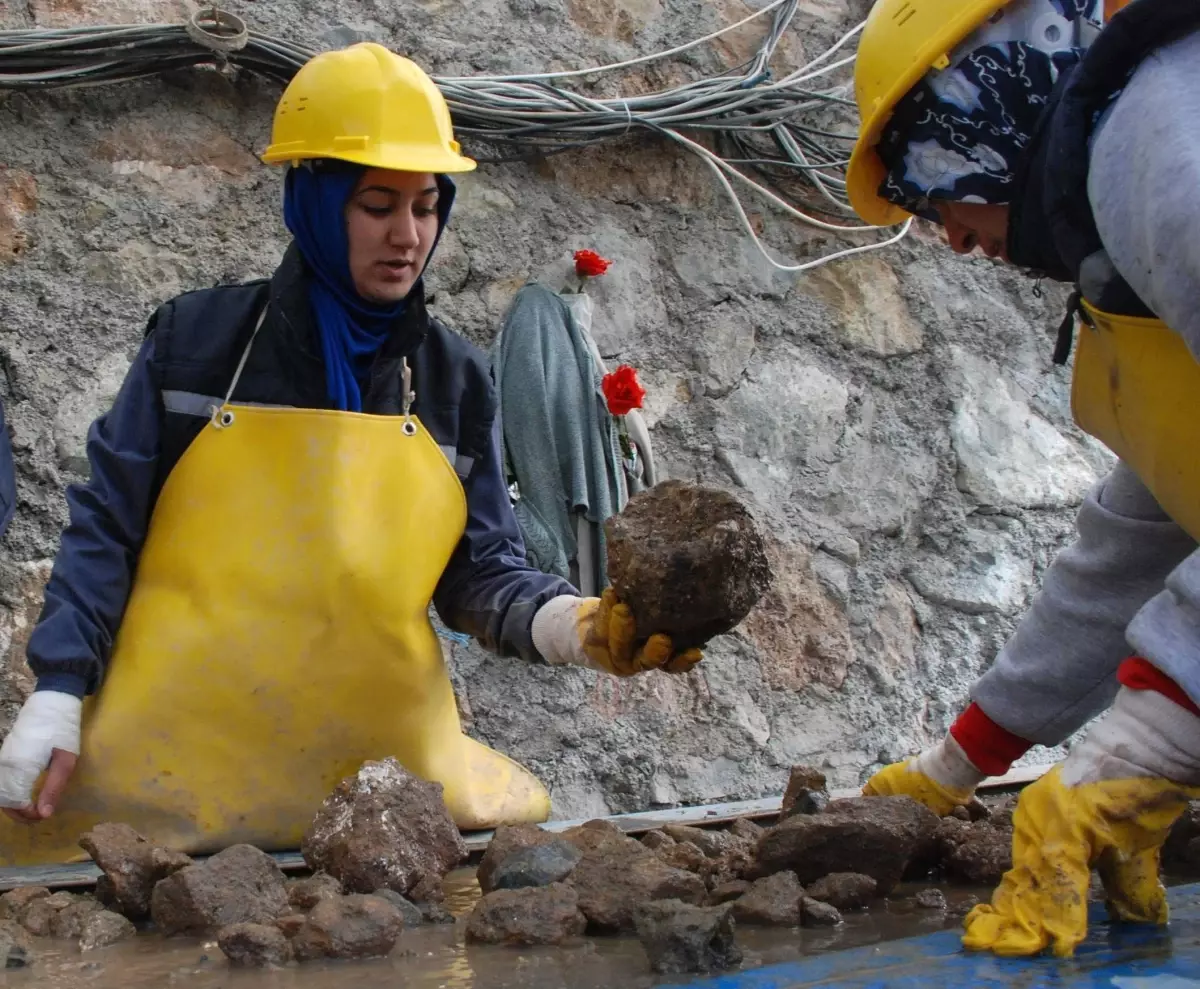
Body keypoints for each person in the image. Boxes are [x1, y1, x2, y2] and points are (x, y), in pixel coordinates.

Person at [0, 43, 702, 866]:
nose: (407, 236)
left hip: (377, 792)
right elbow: (105, 531)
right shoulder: (197, 346)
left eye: (427, 205)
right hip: (170, 783)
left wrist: (575, 626)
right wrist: (57, 688)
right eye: (376, 205)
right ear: (315, 201)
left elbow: (480, 575)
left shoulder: (450, 379)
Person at [844, 0, 1200, 960]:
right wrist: (960, 762)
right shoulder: (1124, 179)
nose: (951, 238)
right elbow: (1146, 529)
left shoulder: (1169, 156)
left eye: (930, 180)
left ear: (983, 101)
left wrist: (1148, 750)